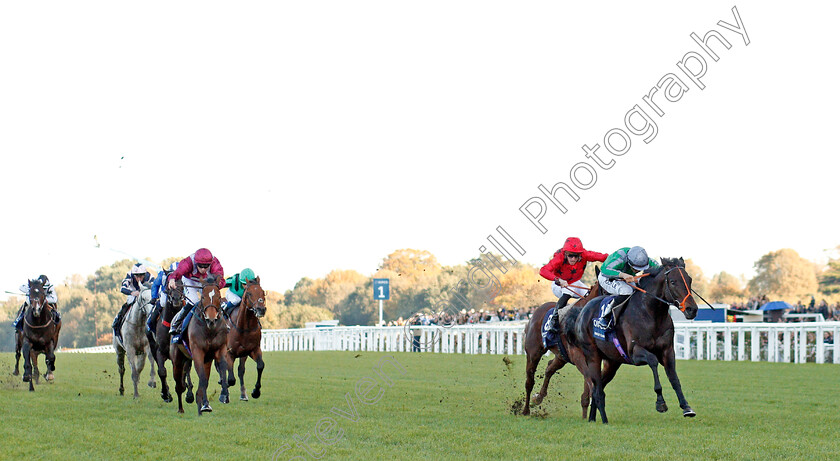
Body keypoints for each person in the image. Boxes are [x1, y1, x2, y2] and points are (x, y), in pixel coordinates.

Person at [540, 237, 608, 334]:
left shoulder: (585, 254)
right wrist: (558, 279)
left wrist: (616, 259)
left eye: (576, 256)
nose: (573, 259)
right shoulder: (559, 257)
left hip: (575, 283)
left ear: (580, 255)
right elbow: (543, 270)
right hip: (559, 285)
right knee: (568, 292)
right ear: (566, 254)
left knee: (591, 296)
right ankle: (553, 321)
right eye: (571, 256)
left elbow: (602, 257)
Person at [594, 246, 659, 330]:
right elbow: (604, 270)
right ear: (629, 262)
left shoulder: (643, 258)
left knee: (641, 287)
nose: (638, 271)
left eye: (640, 269)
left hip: (625, 277)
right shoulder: (620, 258)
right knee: (626, 291)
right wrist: (622, 275)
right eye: (635, 269)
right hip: (607, 277)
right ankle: (605, 316)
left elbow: (660, 269)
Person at [167, 248, 225, 343]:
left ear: (210, 263)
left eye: (206, 266)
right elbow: (178, 272)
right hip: (190, 280)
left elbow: (220, 279)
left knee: (212, 300)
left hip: (206, 283)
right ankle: (177, 323)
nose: (203, 269)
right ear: (196, 263)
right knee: (193, 300)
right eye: (200, 266)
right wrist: (172, 279)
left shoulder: (215, 263)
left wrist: (215, 286)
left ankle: (223, 324)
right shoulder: (189, 261)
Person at [112, 263, 151, 344]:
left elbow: (154, 287)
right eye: (137, 276)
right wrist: (132, 292)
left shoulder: (150, 276)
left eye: (141, 276)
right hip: (133, 295)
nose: (139, 278)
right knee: (127, 305)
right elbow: (122, 288)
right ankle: (117, 322)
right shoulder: (129, 275)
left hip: (145, 296)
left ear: (144, 274)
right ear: (134, 275)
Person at [145, 262, 179, 335]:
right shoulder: (163, 275)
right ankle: (151, 323)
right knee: (162, 303)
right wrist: (154, 297)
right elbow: (155, 285)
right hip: (166, 293)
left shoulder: (185, 276)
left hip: (180, 295)